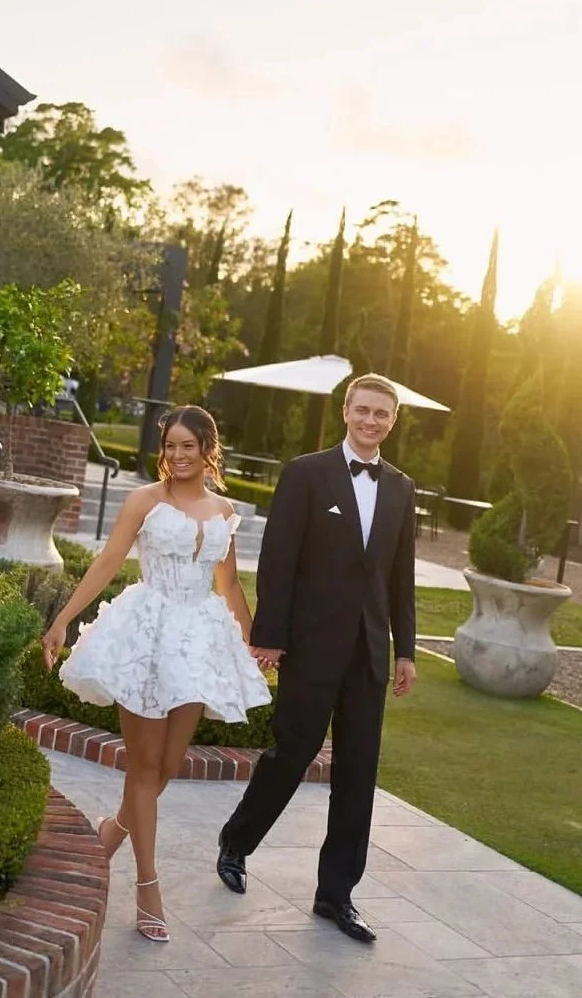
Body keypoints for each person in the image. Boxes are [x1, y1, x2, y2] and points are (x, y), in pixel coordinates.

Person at [41, 405, 271, 944]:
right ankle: (148, 885)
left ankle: (115, 828)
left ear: (207, 449)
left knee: (166, 767)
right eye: (170, 445)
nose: (178, 454)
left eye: (188, 445)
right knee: (144, 769)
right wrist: (63, 619)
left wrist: (253, 637)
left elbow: (229, 585)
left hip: (196, 643)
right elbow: (107, 562)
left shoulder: (224, 510)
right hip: (145, 634)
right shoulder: (144, 501)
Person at [216, 372, 417, 944]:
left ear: (392, 420)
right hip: (309, 644)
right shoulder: (306, 474)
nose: (371, 420)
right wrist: (270, 636)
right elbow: (279, 562)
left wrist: (406, 650)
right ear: (346, 411)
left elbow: (400, 578)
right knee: (293, 752)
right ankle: (237, 841)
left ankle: (336, 896)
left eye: (382, 413)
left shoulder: (402, 488)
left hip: (370, 654)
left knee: (358, 771)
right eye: (363, 410)